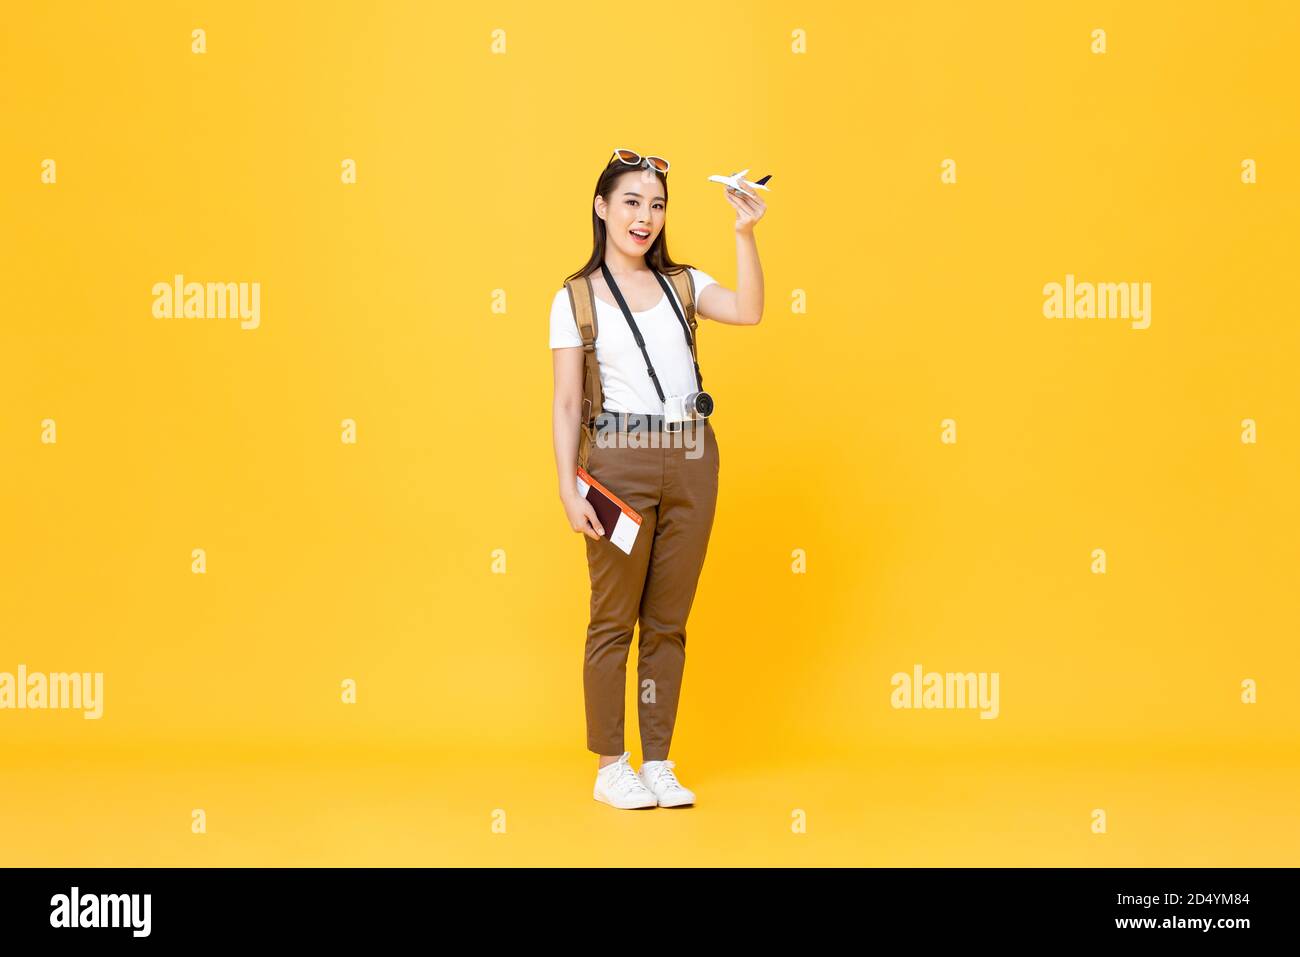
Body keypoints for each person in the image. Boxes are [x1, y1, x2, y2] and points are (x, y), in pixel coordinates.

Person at [549, 149, 767, 808]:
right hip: (617, 462)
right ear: (602, 207)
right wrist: (568, 485)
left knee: (668, 621)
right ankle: (611, 763)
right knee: (614, 618)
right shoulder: (575, 297)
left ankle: (659, 759)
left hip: (694, 456)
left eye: (657, 204)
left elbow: (751, 310)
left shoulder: (683, 282)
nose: (645, 217)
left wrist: (744, 234)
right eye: (632, 202)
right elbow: (564, 401)